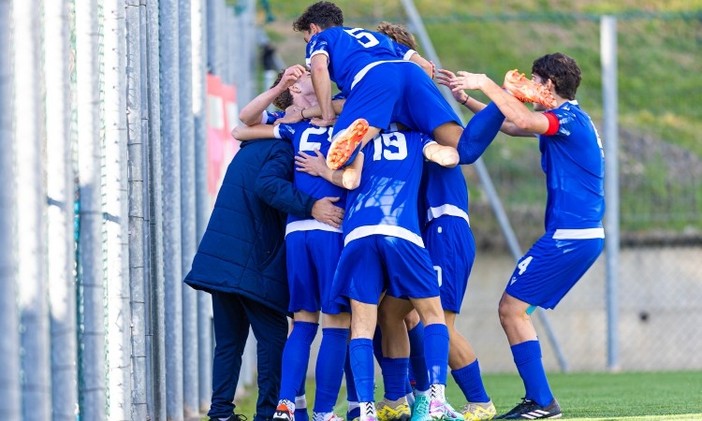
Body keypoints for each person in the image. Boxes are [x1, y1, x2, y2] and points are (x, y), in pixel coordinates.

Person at [442, 52, 605, 419]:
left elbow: (522, 117)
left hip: (571, 236)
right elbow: (514, 126)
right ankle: (540, 400)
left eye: (533, 80)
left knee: (511, 310)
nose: (528, 86)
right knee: (514, 310)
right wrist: (468, 100)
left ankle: (542, 402)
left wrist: (486, 83)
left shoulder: (567, 119)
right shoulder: (568, 118)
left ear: (548, 84)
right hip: (576, 235)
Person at [184, 108, 345, 421]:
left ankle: (220, 413)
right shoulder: (285, 148)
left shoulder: (249, 145)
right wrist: (311, 206)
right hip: (252, 262)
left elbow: (243, 129)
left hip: (223, 257)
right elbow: (267, 185)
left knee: (229, 342)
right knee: (272, 340)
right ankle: (268, 413)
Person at [296, 127, 460, 421]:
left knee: (361, 326)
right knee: (432, 315)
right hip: (401, 231)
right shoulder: (417, 137)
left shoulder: (360, 137)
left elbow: (349, 179)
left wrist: (322, 170)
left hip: (358, 233)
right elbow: (447, 157)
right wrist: (447, 151)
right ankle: (436, 398)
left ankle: (366, 409)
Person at [232, 69, 353, 421]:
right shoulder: (345, 125)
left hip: (296, 233)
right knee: (337, 323)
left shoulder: (293, 128)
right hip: (331, 228)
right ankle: (325, 412)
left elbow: (242, 128)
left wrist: (292, 107)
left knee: (302, 323)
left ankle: (286, 404)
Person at [292, 1, 508, 170]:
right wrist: (410, 107)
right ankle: (507, 96)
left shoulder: (322, 38)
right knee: (465, 149)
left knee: (337, 154)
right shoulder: (376, 37)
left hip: (372, 76)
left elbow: (319, 69)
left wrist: (328, 115)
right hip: (413, 74)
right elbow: (425, 67)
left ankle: (359, 134)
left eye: (306, 38)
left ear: (313, 28)